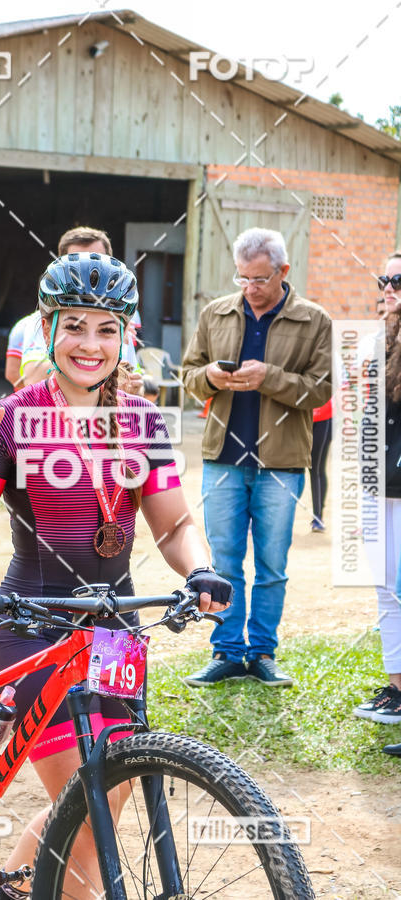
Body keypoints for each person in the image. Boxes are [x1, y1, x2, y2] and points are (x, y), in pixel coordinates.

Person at [0, 252, 232, 897]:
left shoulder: (143, 421)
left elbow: (175, 525)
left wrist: (201, 568)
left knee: (106, 798)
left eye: (105, 329)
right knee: (87, 802)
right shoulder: (12, 418)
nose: (89, 344)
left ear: (125, 337)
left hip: (114, 631)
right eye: (74, 326)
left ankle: (14, 888)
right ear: (47, 329)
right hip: (33, 628)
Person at [181, 227, 332, 687]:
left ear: (284, 271)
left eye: (260, 278)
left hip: (281, 465)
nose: (250, 287)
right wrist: (210, 376)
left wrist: (270, 377)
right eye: (242, 277)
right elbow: (188, 375)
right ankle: (226, 652)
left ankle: (263, 653)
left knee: (271, 567)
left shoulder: (315, 321)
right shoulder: (215, 313)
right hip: (222, 460)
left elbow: (321, 390)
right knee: (224, 565)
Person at [354, 252, 401, 742]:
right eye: (384, 279)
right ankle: (397, 688)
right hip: (379, 483)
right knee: (386, 587)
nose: (389, 287)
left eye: (399, 280)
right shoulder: (376, 340)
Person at [20, 226, 142, 390]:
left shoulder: (122, 313)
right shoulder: (44, 318)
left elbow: (136, 379)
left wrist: (136, 389)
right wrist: (107, 374)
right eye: (74, 327)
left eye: (97, 259)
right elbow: (31, 378)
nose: (89, 269)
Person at [309, 398, 332, 532]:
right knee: (292, 468)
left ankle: (317, 517)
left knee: (316, 469)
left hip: (324, 418)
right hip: (300, 417)